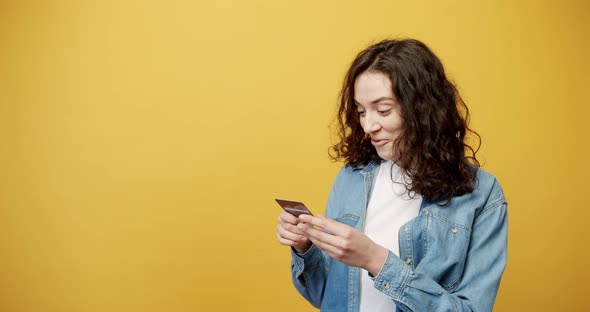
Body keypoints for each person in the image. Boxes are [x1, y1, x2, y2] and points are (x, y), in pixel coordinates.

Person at [276, 38, 508, 312]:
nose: (368, 126)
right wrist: (305, 247)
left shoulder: (482, 193)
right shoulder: (351, 177)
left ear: (422, 109)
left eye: (383, 110)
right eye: (361, 111)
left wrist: (377, 260)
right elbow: (329, 297)